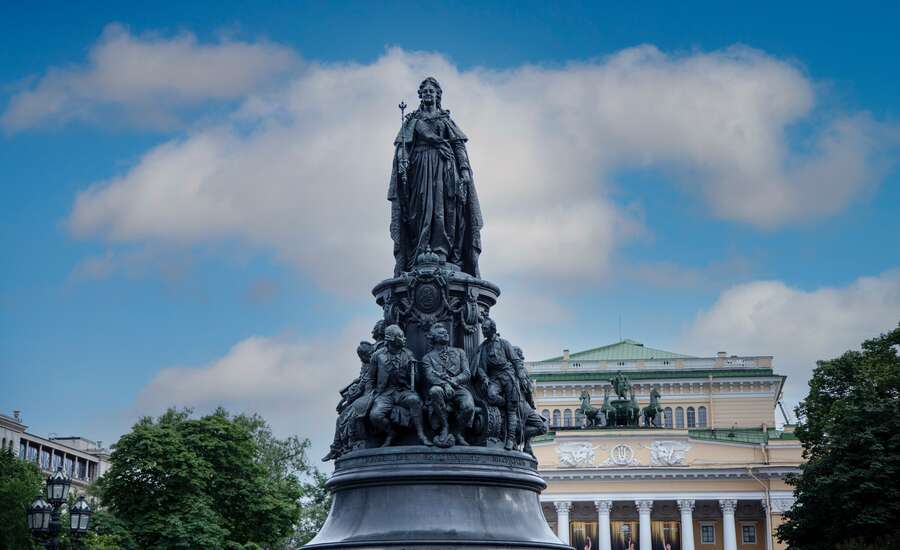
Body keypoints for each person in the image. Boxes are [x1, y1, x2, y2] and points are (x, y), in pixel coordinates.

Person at [388, 77, 483, 277]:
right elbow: (402, 147)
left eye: (432, 91)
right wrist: (403, 161)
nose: (428, 94)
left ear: (438, 95)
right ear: (420, 96)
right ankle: (420, 251)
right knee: (419, 209)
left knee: (444, 210)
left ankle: (441, 251)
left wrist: (464, 169)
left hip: (444, 168)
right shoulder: (413, 120)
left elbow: (458, 145)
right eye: (425, 91)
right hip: (420, 169)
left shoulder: (445, 120)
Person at [368, 325, 432, 447]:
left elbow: (417, 380)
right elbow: (370, 378)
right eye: (401, 337)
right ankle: (391, 433)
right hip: (385, 393)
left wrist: (414, 371)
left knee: (415, 400)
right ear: (391, 339)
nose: (404, 339)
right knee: (375, 415)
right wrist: (370, 394)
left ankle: (421, 434)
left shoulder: (408, 354)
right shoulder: (378, 356)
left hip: (403, 391)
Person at [473, 318, 525, 450]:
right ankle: (505, 404)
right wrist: (484, 378)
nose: (483, 331)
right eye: (482, 328)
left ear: (492, 329)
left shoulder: (504, 343)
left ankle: (510, 439)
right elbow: (480, 367)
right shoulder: (483, 347)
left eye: (485, 328)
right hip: (495, 378)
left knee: (512, 410)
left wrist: (521, 375)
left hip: (509, 377)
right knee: (491, 395)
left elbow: (516, 361)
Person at [422, 324, 475, 446]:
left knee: (469, 407)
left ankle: (455, 432)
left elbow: (467, 373)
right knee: (435, 391)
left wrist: (454, 380)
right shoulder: (427, 358)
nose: (446, 334)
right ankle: (445, 427)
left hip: (459, 388)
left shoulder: (460, 352)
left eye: (446, 332)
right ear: (434, 338)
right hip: (441, 389)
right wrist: (445, 384)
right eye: (441, 333)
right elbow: (430, 376)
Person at [322, 341, 376, 461]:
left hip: (370, 396)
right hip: (364, 395)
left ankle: (345, 445)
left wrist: (345, 401)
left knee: (347, 417)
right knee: (341, 418)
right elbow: (359, 384)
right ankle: (337, 448)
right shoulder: (366, 366)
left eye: (364, 356)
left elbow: (361, 386)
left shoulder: (373, 365)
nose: (363, 359)